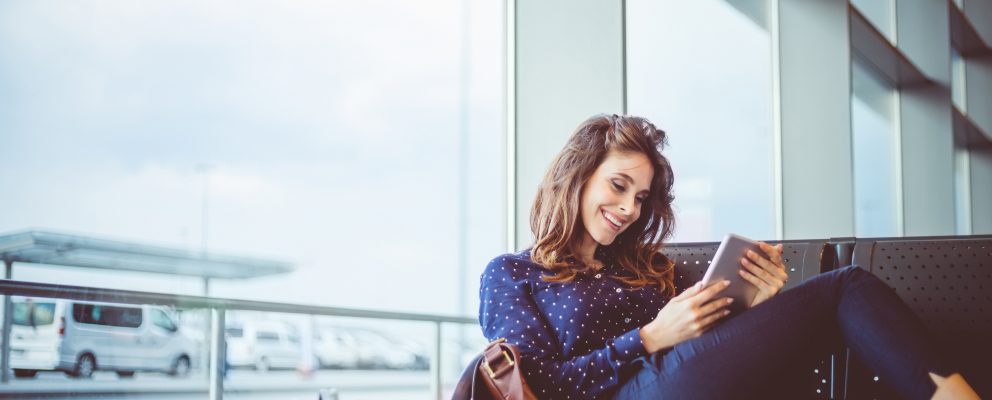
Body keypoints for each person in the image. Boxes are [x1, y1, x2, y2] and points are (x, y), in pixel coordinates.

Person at [478, 114, 980, 399]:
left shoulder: (644, 268)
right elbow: (539, 384)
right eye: (618, 185)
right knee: (844, 286)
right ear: (577, 176)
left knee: (838, 306)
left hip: (672, 384)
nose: (629, 208)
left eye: (642, 197)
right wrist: (650, 337)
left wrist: (750, 311)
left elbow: (693, 358)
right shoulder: (512, 273)